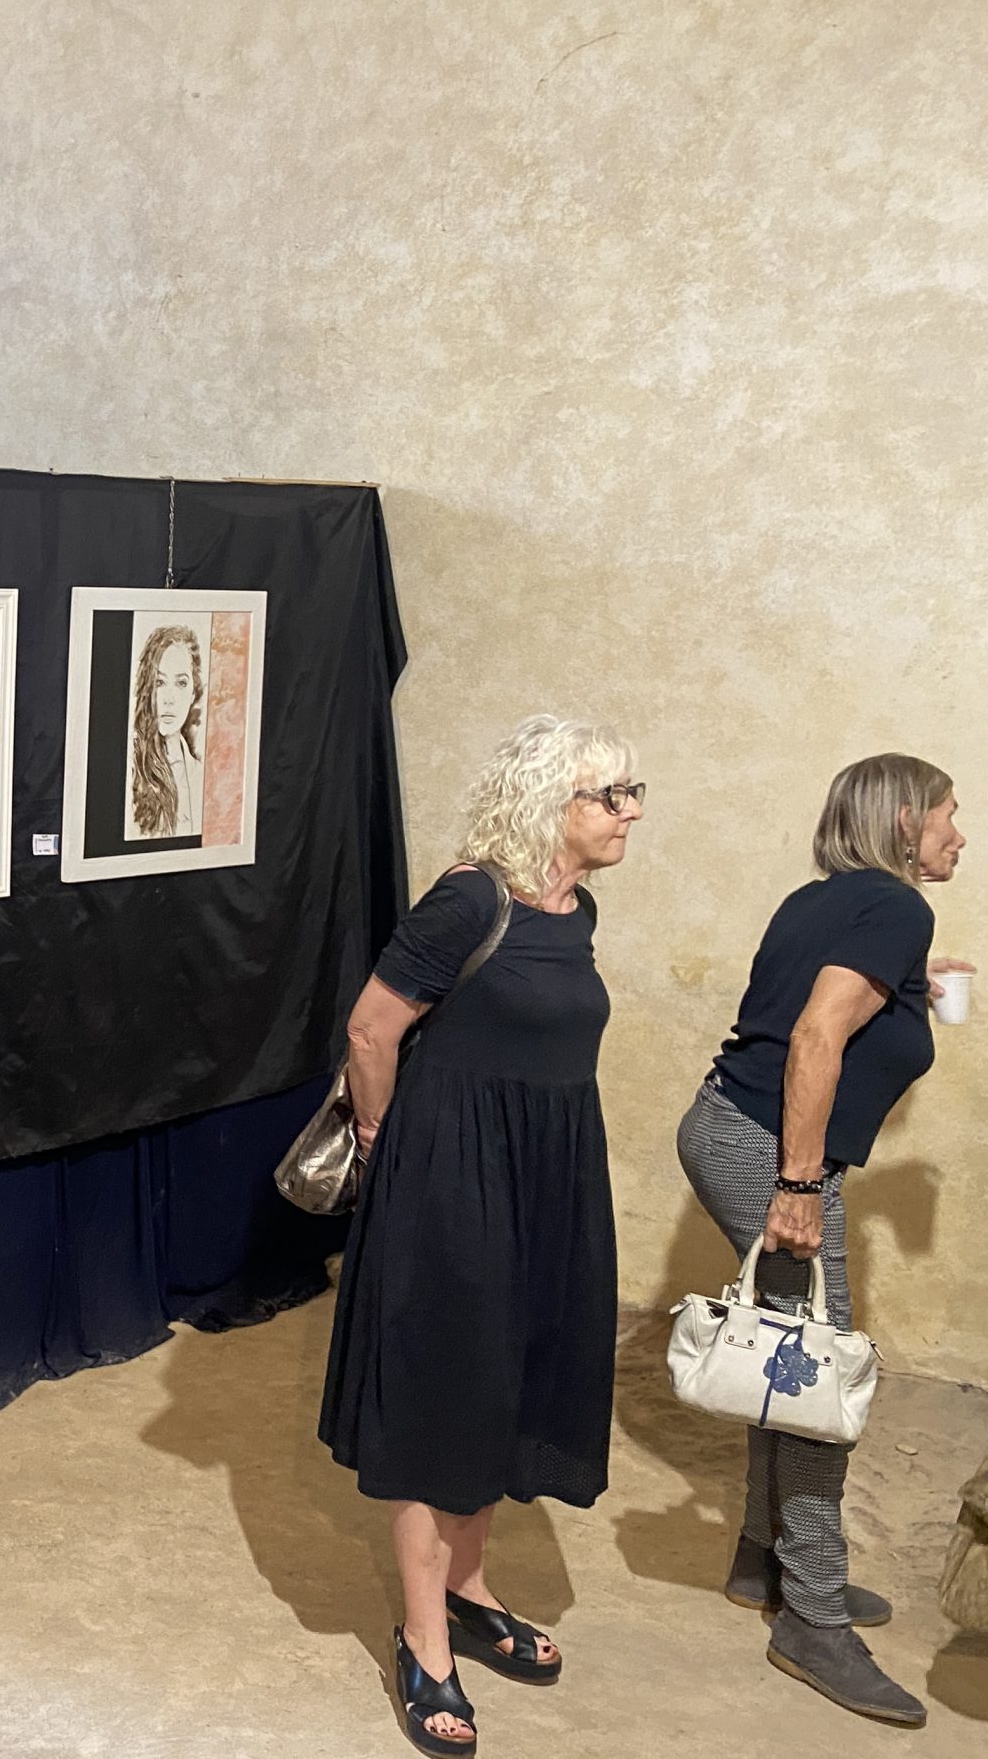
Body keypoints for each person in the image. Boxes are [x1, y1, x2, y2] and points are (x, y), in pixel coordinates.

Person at [319, 716, 642, 1755]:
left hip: (548, 1177)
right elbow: (371, 1030)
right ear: (551, 801)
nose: (630, 813)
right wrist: (383, 1141)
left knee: (506, 1380)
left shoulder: (577, 909)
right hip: (450, 1180)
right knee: (440, 1394)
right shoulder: (469, 900)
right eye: (610, 795)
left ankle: (468, 1588)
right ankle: (424, 1638)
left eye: (632, 793)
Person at [674, 754, 965, 1728]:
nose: (958, 835)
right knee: (818, 1387)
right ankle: (812, 1617)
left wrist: (918, 988)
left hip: (731, 1128)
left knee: (788, 1354)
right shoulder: (896, 908)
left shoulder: (826, 901)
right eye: (948, 816)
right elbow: (811, 1037)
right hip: (767, 1150)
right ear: (905, 820)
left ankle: (762, 1560)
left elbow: (818, 1006)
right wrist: (798, 1185)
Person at [129, 620, 205, 838]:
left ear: (193, 693)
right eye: (159, 683)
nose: (169, 699)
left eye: (181, 683)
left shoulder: (199, 772)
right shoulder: (132, 767)